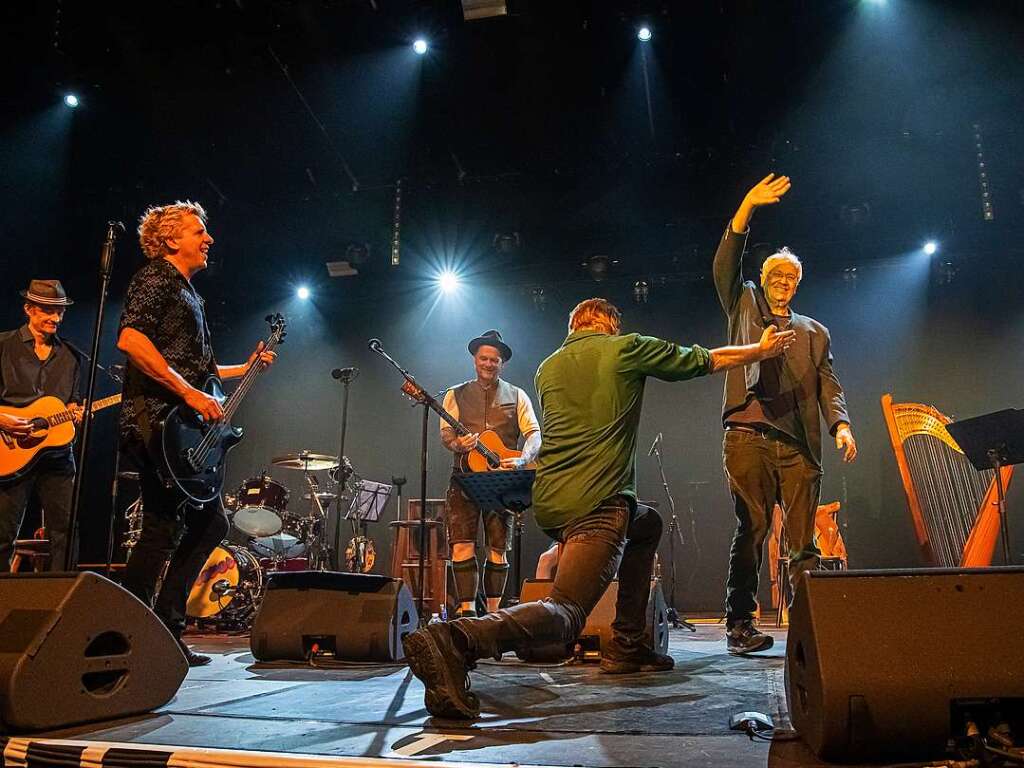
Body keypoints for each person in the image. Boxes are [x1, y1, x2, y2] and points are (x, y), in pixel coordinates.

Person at [403, 298, 794, 719]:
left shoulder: (547, 368)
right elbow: (705, 359)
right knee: (567, 612)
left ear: (574, 326)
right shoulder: (624, 347)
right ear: (610, 324)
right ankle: (455, 639)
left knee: (646, 524)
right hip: (598, 503)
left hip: (553, 502)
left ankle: (628, 644)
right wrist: (760, 350)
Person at [116, 200, 275, 666]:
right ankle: (127, 630)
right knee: (161, 529)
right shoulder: (155, 278)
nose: (209, 239)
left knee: (209, 523)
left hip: (180, 426)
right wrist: (188, 394)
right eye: (198, 231)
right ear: (170, 239)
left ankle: (163, 626)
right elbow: (132, 340)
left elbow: (199, 371)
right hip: (156, 422)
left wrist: (243, 368)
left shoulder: (189, 294)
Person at [713, 173, 856, 655]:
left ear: (797, 285)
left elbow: (828, 383)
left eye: (791, 278)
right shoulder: (744, 303)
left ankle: (811, 628)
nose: (783, 283)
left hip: (797, 444)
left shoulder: (815, 331)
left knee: (803, 542)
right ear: (766, 278)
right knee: (751, 530)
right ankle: (740, 623)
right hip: (748, 434)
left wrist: (841, 425)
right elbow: (727, 266)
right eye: (776, 275)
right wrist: (746, 207)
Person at [440, 330, 541, 617]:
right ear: (475, 360)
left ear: (502, 364)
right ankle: (467, 613)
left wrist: (523, 459)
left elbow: (535, 434)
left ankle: (494, 616)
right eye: (483, 358)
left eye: (494, 360)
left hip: (501, 481)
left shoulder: (517, 395)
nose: (488, 363)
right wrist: (459, 443)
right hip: (464, 479)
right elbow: (446, 435)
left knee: (497, 549)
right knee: (462, 545)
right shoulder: (454, 393)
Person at [0, 280, 82, 571]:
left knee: (66, 530)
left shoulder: (71, 356)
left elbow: (72, 402)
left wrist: (75, 412)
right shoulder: (3, 345)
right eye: (48, 310)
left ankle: (62, 600)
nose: (55, 318)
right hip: (10, 450)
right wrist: (3, 419)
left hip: (57, 454)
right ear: (29, 309)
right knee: (3, 533)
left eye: (59, 312)